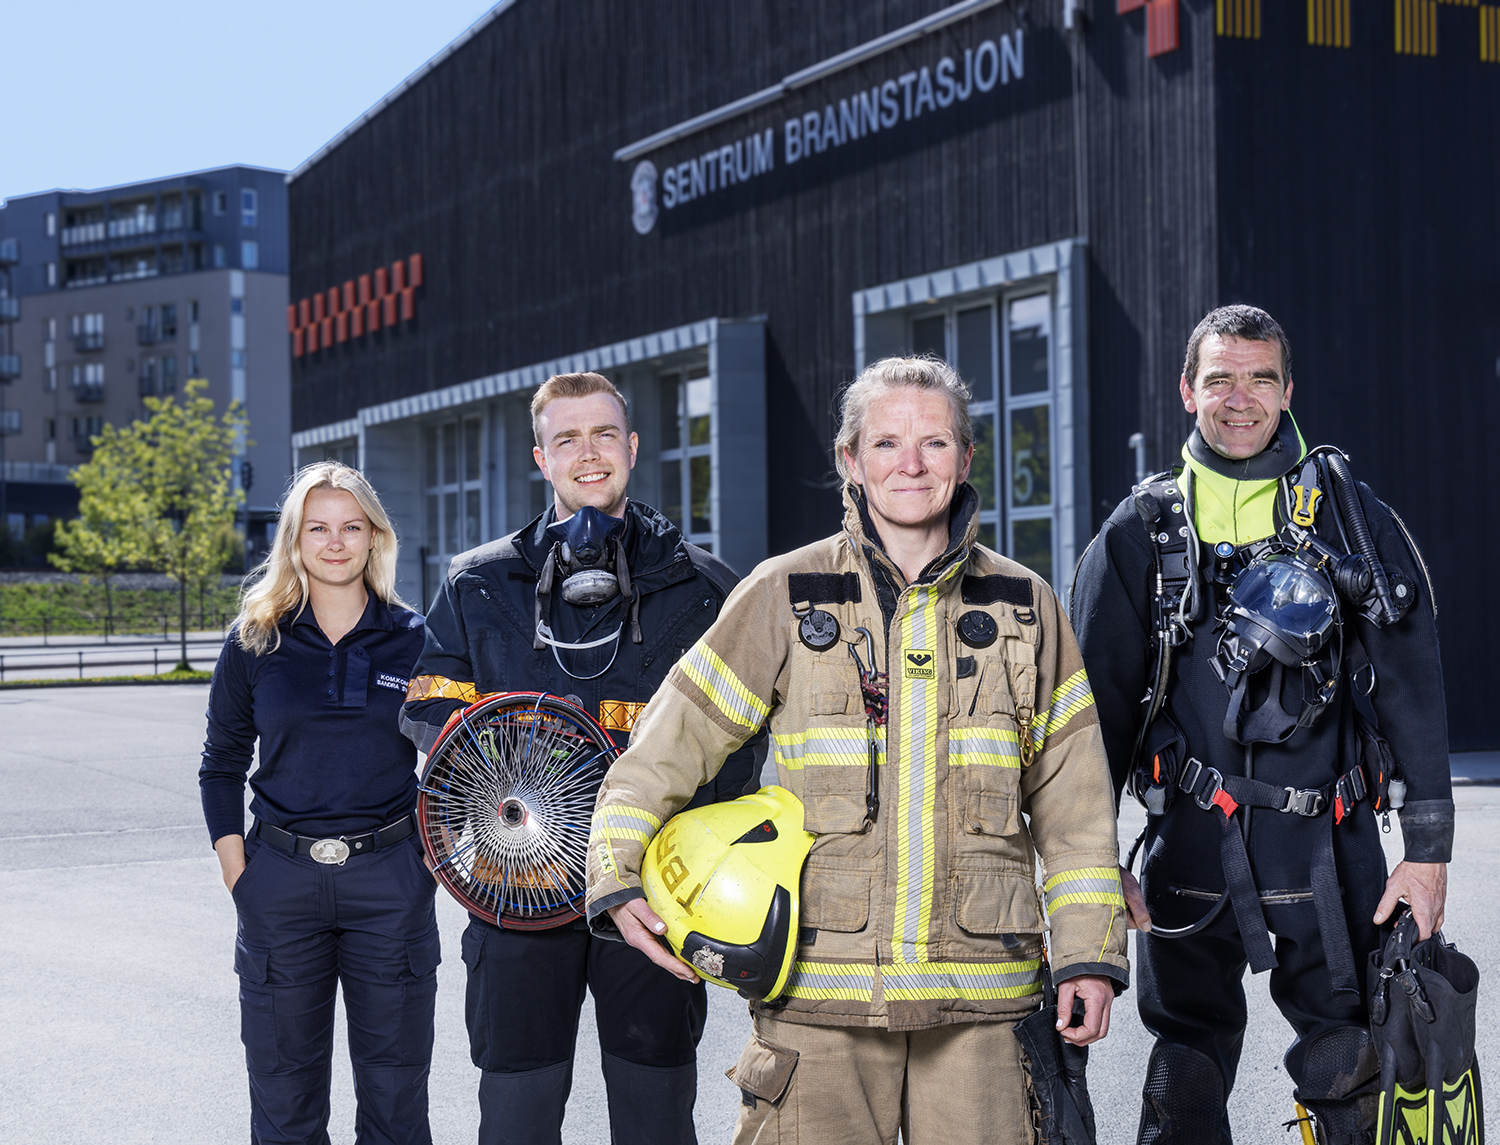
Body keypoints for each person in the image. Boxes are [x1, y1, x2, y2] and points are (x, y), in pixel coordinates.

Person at [586, 356, 1129, 1144]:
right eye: (886, 443)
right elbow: (671, 741)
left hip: (981, 1005)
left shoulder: (1024, 605)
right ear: (851, 459)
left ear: (965, 459)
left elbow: (1074, 801)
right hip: (819, 1003)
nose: (911, 463)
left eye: (935, 443)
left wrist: (1086, 951)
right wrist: (615, 868)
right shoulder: (784, 593)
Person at [1071, 305, 1452, 1145]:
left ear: (1288, 390)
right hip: (1189, 850)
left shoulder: (1354, 517)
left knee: (1349, 1070)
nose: (1239, 398)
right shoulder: (1140, 532)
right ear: (1186, 390)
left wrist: (1427, 853)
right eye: (1219, 378)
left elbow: (1414, 689)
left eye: (1259, 378)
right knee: (1185, 1075)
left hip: (1332, 850)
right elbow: (1083, 722)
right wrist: (1089, 868)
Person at [399, 371, 756, 1145]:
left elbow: (742, 747)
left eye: (603, 435)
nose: (587, 454)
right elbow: (431, 717)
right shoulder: (479, 584)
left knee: (655, 1114)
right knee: (517, 1118)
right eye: (567, 438)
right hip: (517, 890)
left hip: (654, 892)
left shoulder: (704, 589)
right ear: (541, 456)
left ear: (630, 446)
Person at [199, 462, 436, 1145]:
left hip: (390, 880)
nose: (335, 543)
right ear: (295, 540)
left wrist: (429, 864)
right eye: (318, 528)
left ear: (374, 537)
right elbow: (221, 761)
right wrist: (237, 869)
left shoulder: (415, 637)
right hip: (279, 880)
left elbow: (456, 760)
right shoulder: (256, 638)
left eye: (351, 527)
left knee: (396, 1100)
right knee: (284, 1100)